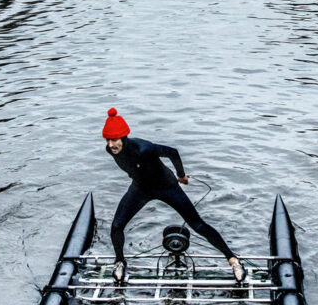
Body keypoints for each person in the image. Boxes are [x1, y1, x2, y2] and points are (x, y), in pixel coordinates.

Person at [102, 107, 244, 284]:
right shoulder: (110, 150)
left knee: (198, 225)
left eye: (114, 140)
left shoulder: (144, 148)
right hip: (140, 189)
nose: (110, 145)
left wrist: (181, 175)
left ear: (123, 137)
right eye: (107, 140)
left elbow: (172, 152)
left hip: (166, 187)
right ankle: (119, 262)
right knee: (117, 226)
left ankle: (233, 261)